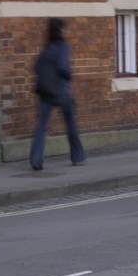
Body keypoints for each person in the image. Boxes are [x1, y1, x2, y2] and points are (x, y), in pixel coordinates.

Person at [29, 18, 85, 170]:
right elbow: (63, 66)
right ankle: (78, 157)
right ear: (61, 30)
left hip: (45, 92)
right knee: (71, 125)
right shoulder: (64, 47)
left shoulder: (46, 49)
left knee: (41, 127)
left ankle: (36, 160)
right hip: (61, 91)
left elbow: (36, 67)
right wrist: (69, 75)